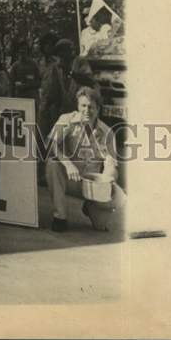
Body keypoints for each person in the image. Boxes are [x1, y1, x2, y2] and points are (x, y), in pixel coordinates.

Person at [45, 86, 126, 232]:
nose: (87, 110)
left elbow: (111, 164)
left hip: (93, 183)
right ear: (78, 105)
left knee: (119, 200)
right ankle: (60, 217)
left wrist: (104, 184)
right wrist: (68, 164)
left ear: (98, 109)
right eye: (83, 105)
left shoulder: (106, 131)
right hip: (72, 179)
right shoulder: (67, 119)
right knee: (53, 163)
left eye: (91, 107)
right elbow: (50, 144)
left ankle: (91, 205)